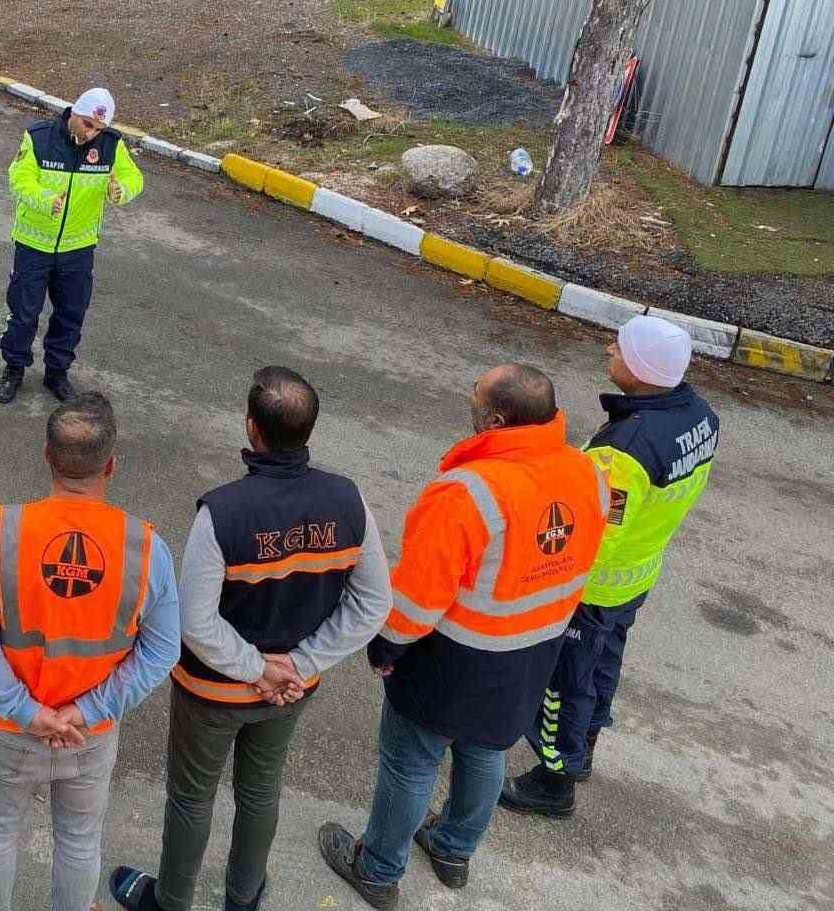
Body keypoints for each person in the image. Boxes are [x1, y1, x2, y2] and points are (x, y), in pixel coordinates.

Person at [318, 365, 609, 910]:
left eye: (475, 397)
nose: (469, 402)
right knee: (486, 748)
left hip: (454, 659)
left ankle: (378, 868)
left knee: (410, 762)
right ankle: (453, 849)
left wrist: (387, 647)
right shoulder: (586, 472)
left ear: (495, 419)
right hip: (534, 648)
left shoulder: (465, 492)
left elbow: (418, 595)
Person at [109, 367, 392, 911]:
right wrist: (297, 665)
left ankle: (170, 902)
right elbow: (372, 603)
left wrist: (256, 668)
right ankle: (243, 898)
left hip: (212, 691)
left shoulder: (223, 513)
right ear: (309, 430)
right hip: (289, 691)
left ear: (250, 428)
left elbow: (194, 619)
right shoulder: (348, 501)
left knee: (192, 798)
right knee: (260, 791)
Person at [0, 392, 180, 911]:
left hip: (11, 730)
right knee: (79, 842)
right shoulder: (145, 549)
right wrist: (87, 710)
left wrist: (27, 712)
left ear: (47, 457)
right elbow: (161, 650)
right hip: (88, 736)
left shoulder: (0, 533)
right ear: (112, 464)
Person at [501, 317, 719, 817]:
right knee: (602, 667)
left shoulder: (627, 448)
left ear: (641, 369)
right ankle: (587, 743)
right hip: (638, 572)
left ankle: (554, 780)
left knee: (564, 683)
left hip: (594, 586)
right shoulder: (700, 415)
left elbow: (595, 526)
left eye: (619, 349)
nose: (608, 351)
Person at [0, 89, 144, 405]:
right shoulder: (39, 137)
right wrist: (47, 201)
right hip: (34, 244)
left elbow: (134, 177)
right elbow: (18, 180)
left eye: (98, 129)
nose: (92, 134)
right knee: (23, 312)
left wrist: (122, 190)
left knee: (71, 313)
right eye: (87, 124)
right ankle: (14, 369)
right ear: (74, 113)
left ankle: (57, 373)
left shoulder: (111, 145)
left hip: (78, 248)